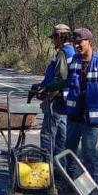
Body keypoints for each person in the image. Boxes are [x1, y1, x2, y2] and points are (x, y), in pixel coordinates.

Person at [46, 28, 98, 185]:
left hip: (92, 120)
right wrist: (49, 87)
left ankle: (87, 188)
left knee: (88, 156)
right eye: (75, 43)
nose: (77, 46)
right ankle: (69, 181)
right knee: (68, 151)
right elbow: (68, 81)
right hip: (74, 116)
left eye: (80, 43)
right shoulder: (75, 62)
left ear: (90, 42)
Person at [33, 24, 75, 159]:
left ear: (59, 37)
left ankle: (46, 165)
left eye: (54, 38)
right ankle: (58, 166)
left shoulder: (63, 53)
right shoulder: (72, 51)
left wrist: (47, 99)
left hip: (57, 100)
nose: (53, 41)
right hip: (65, 100)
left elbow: (59, 80)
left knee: (48, 134)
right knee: (61, 136)